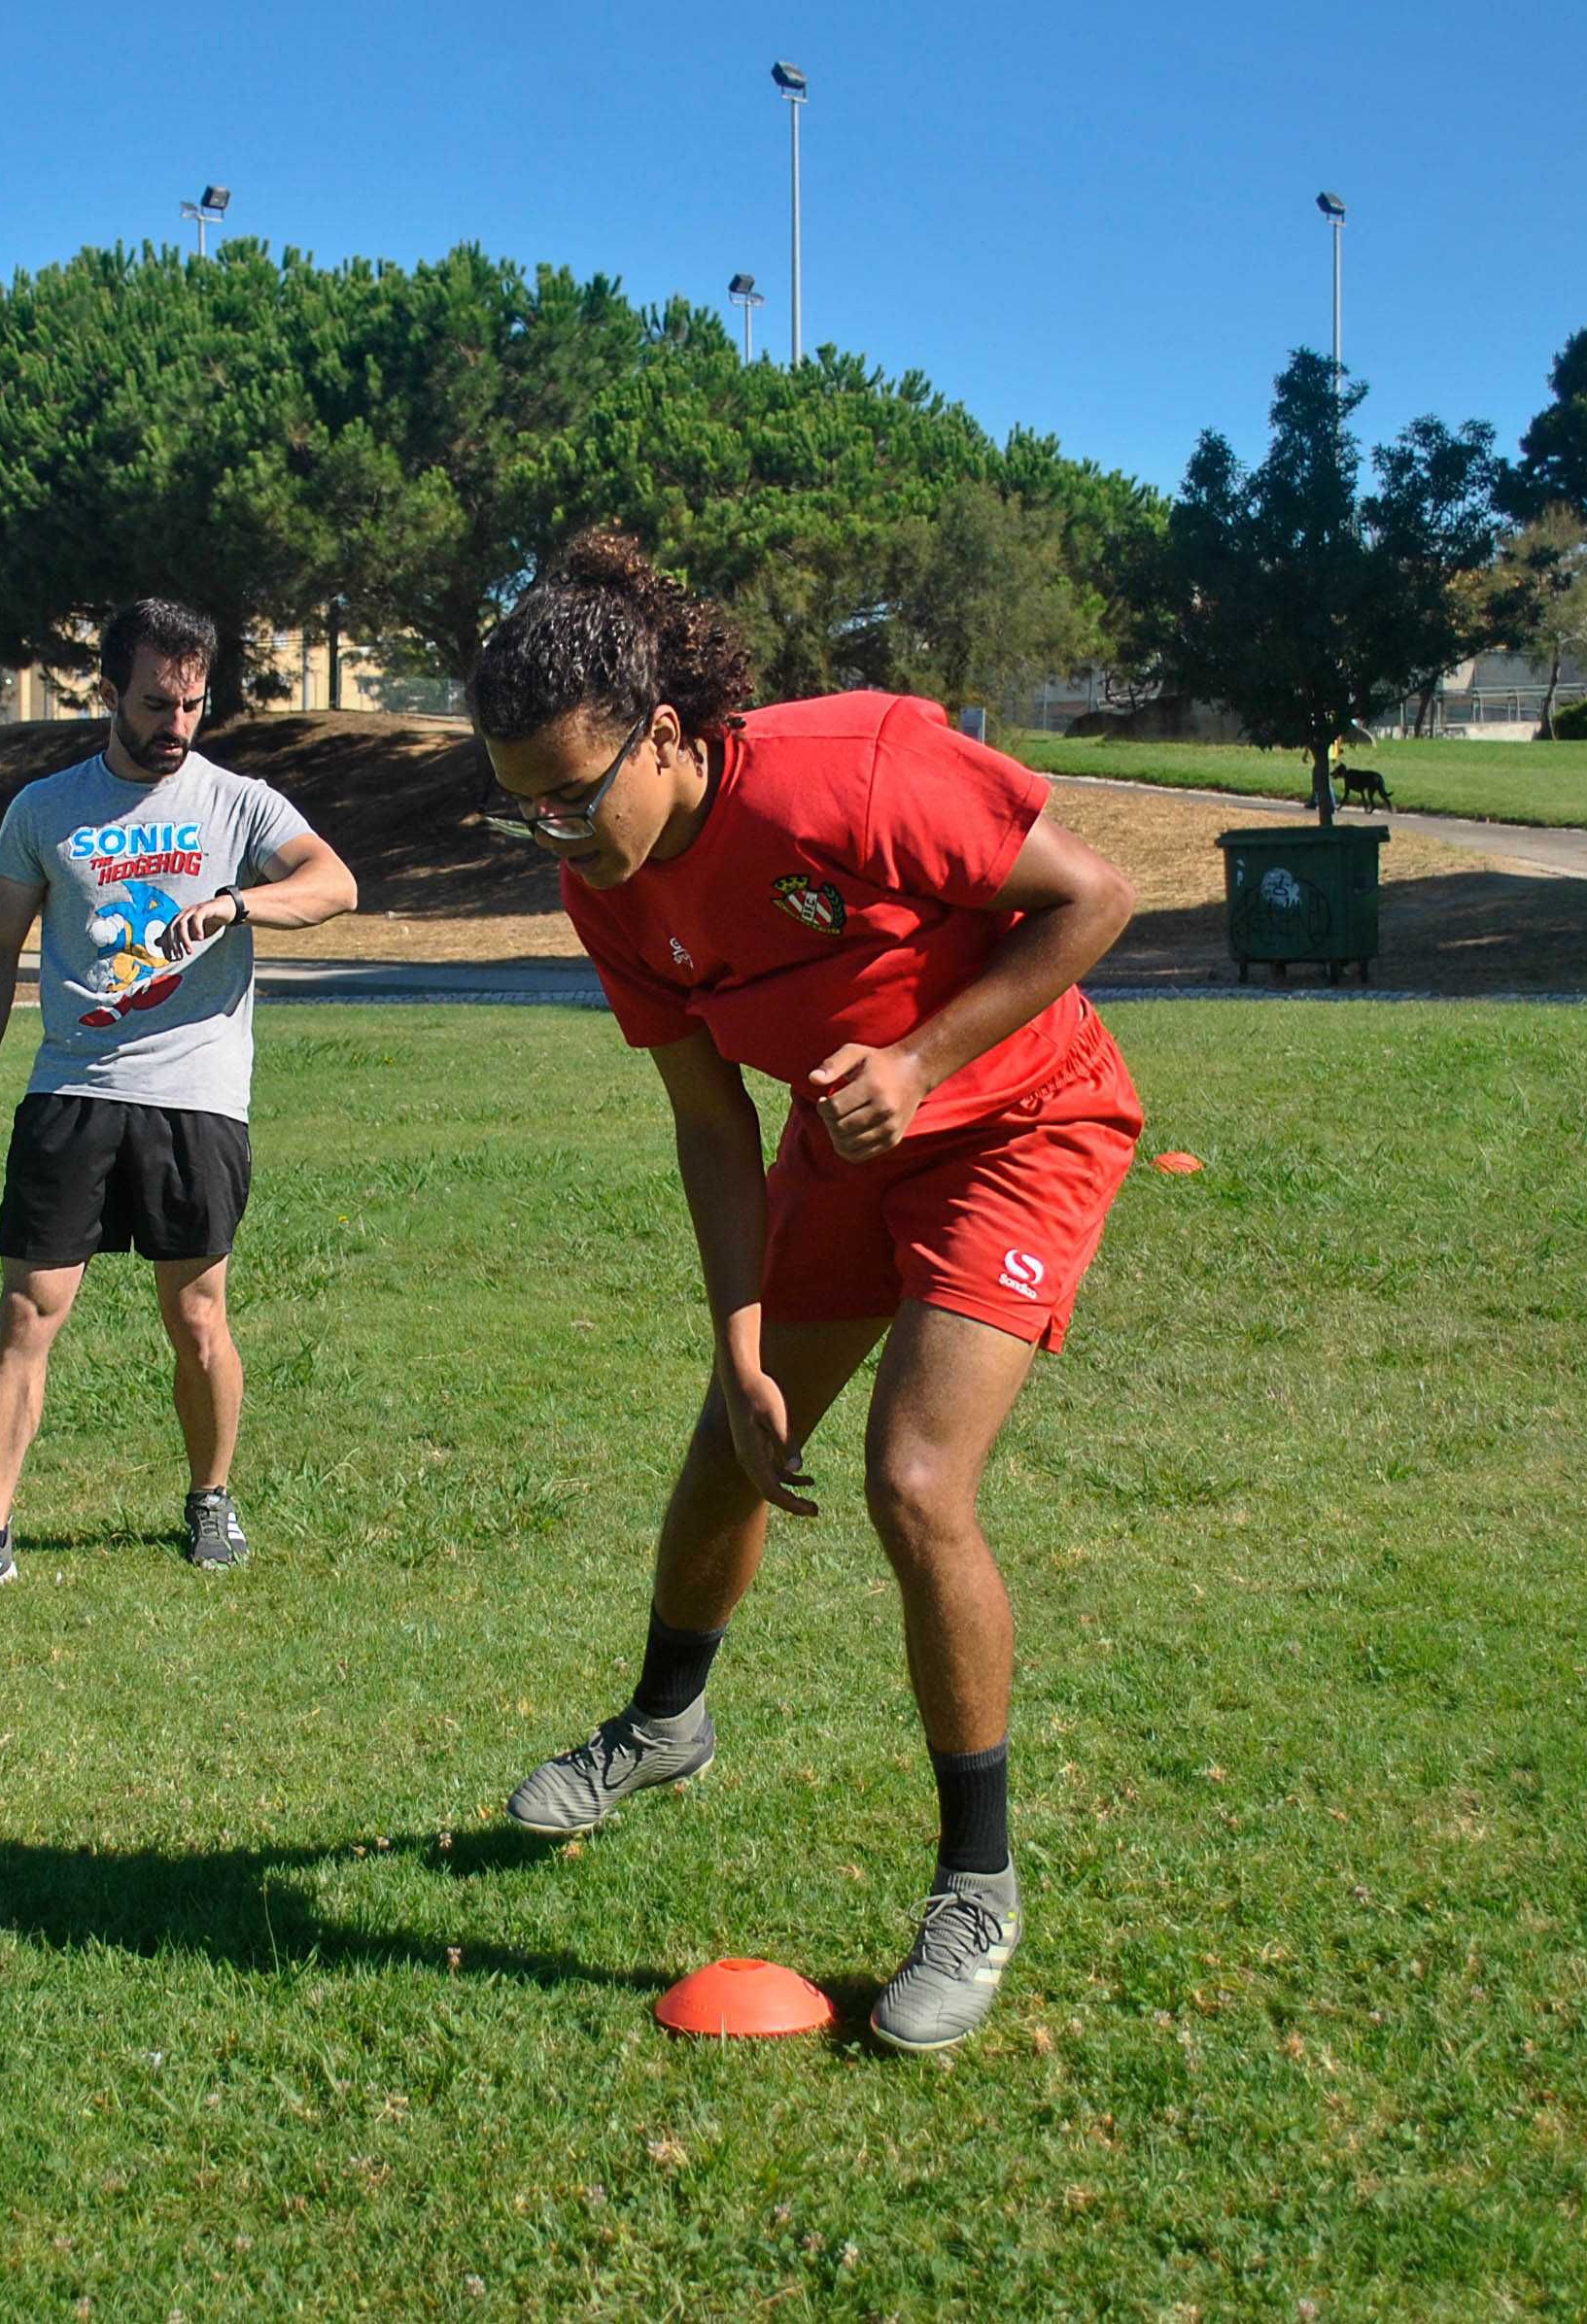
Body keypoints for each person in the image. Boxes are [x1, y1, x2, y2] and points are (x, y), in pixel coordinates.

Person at [471, 533, 1142, 2055]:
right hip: (837, 1151)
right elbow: (710, 1124)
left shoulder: (861, 765)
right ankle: (665, 1724)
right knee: (735, 1441)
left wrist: (919, 1061)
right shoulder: (611, 888)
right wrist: (738, 1346)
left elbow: (1094, 901)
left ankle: (976, 1888)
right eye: (527, 810)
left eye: (577, 794)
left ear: (661, 732)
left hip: (1020, 1126)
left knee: (913, 1479)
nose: (560, 834)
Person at [0, 598, 360, 1610]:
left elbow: (335, 884)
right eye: (158, 703)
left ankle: (211, 1496)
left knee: (196, 1315)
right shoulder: (42, 809)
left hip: (197, 1094)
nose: (177, 725)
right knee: (29, 1308)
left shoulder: (238, 803)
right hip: (73, 1088)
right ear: (108, 689)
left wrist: (238, 902)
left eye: (194, 705)